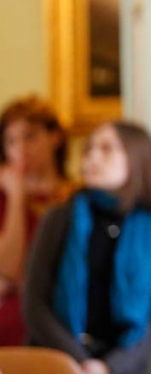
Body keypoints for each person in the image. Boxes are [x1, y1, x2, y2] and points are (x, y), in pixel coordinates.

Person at [24, 121, 151, 374]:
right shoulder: (60, 218)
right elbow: (34, 304)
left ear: (135, 158)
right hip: (58, 370)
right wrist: (81, 367)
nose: (92, 157)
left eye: (106, 149)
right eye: (89, 149)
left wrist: (106, 370)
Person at [0, 95, 77, 345]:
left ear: (54, 137)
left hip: (65, 328)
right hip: (9, 333)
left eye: (30, 136)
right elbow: (9, 268)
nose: (20, 149)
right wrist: (15, 198)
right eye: (11, 141)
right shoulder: (4, 200)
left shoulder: (78, 198)